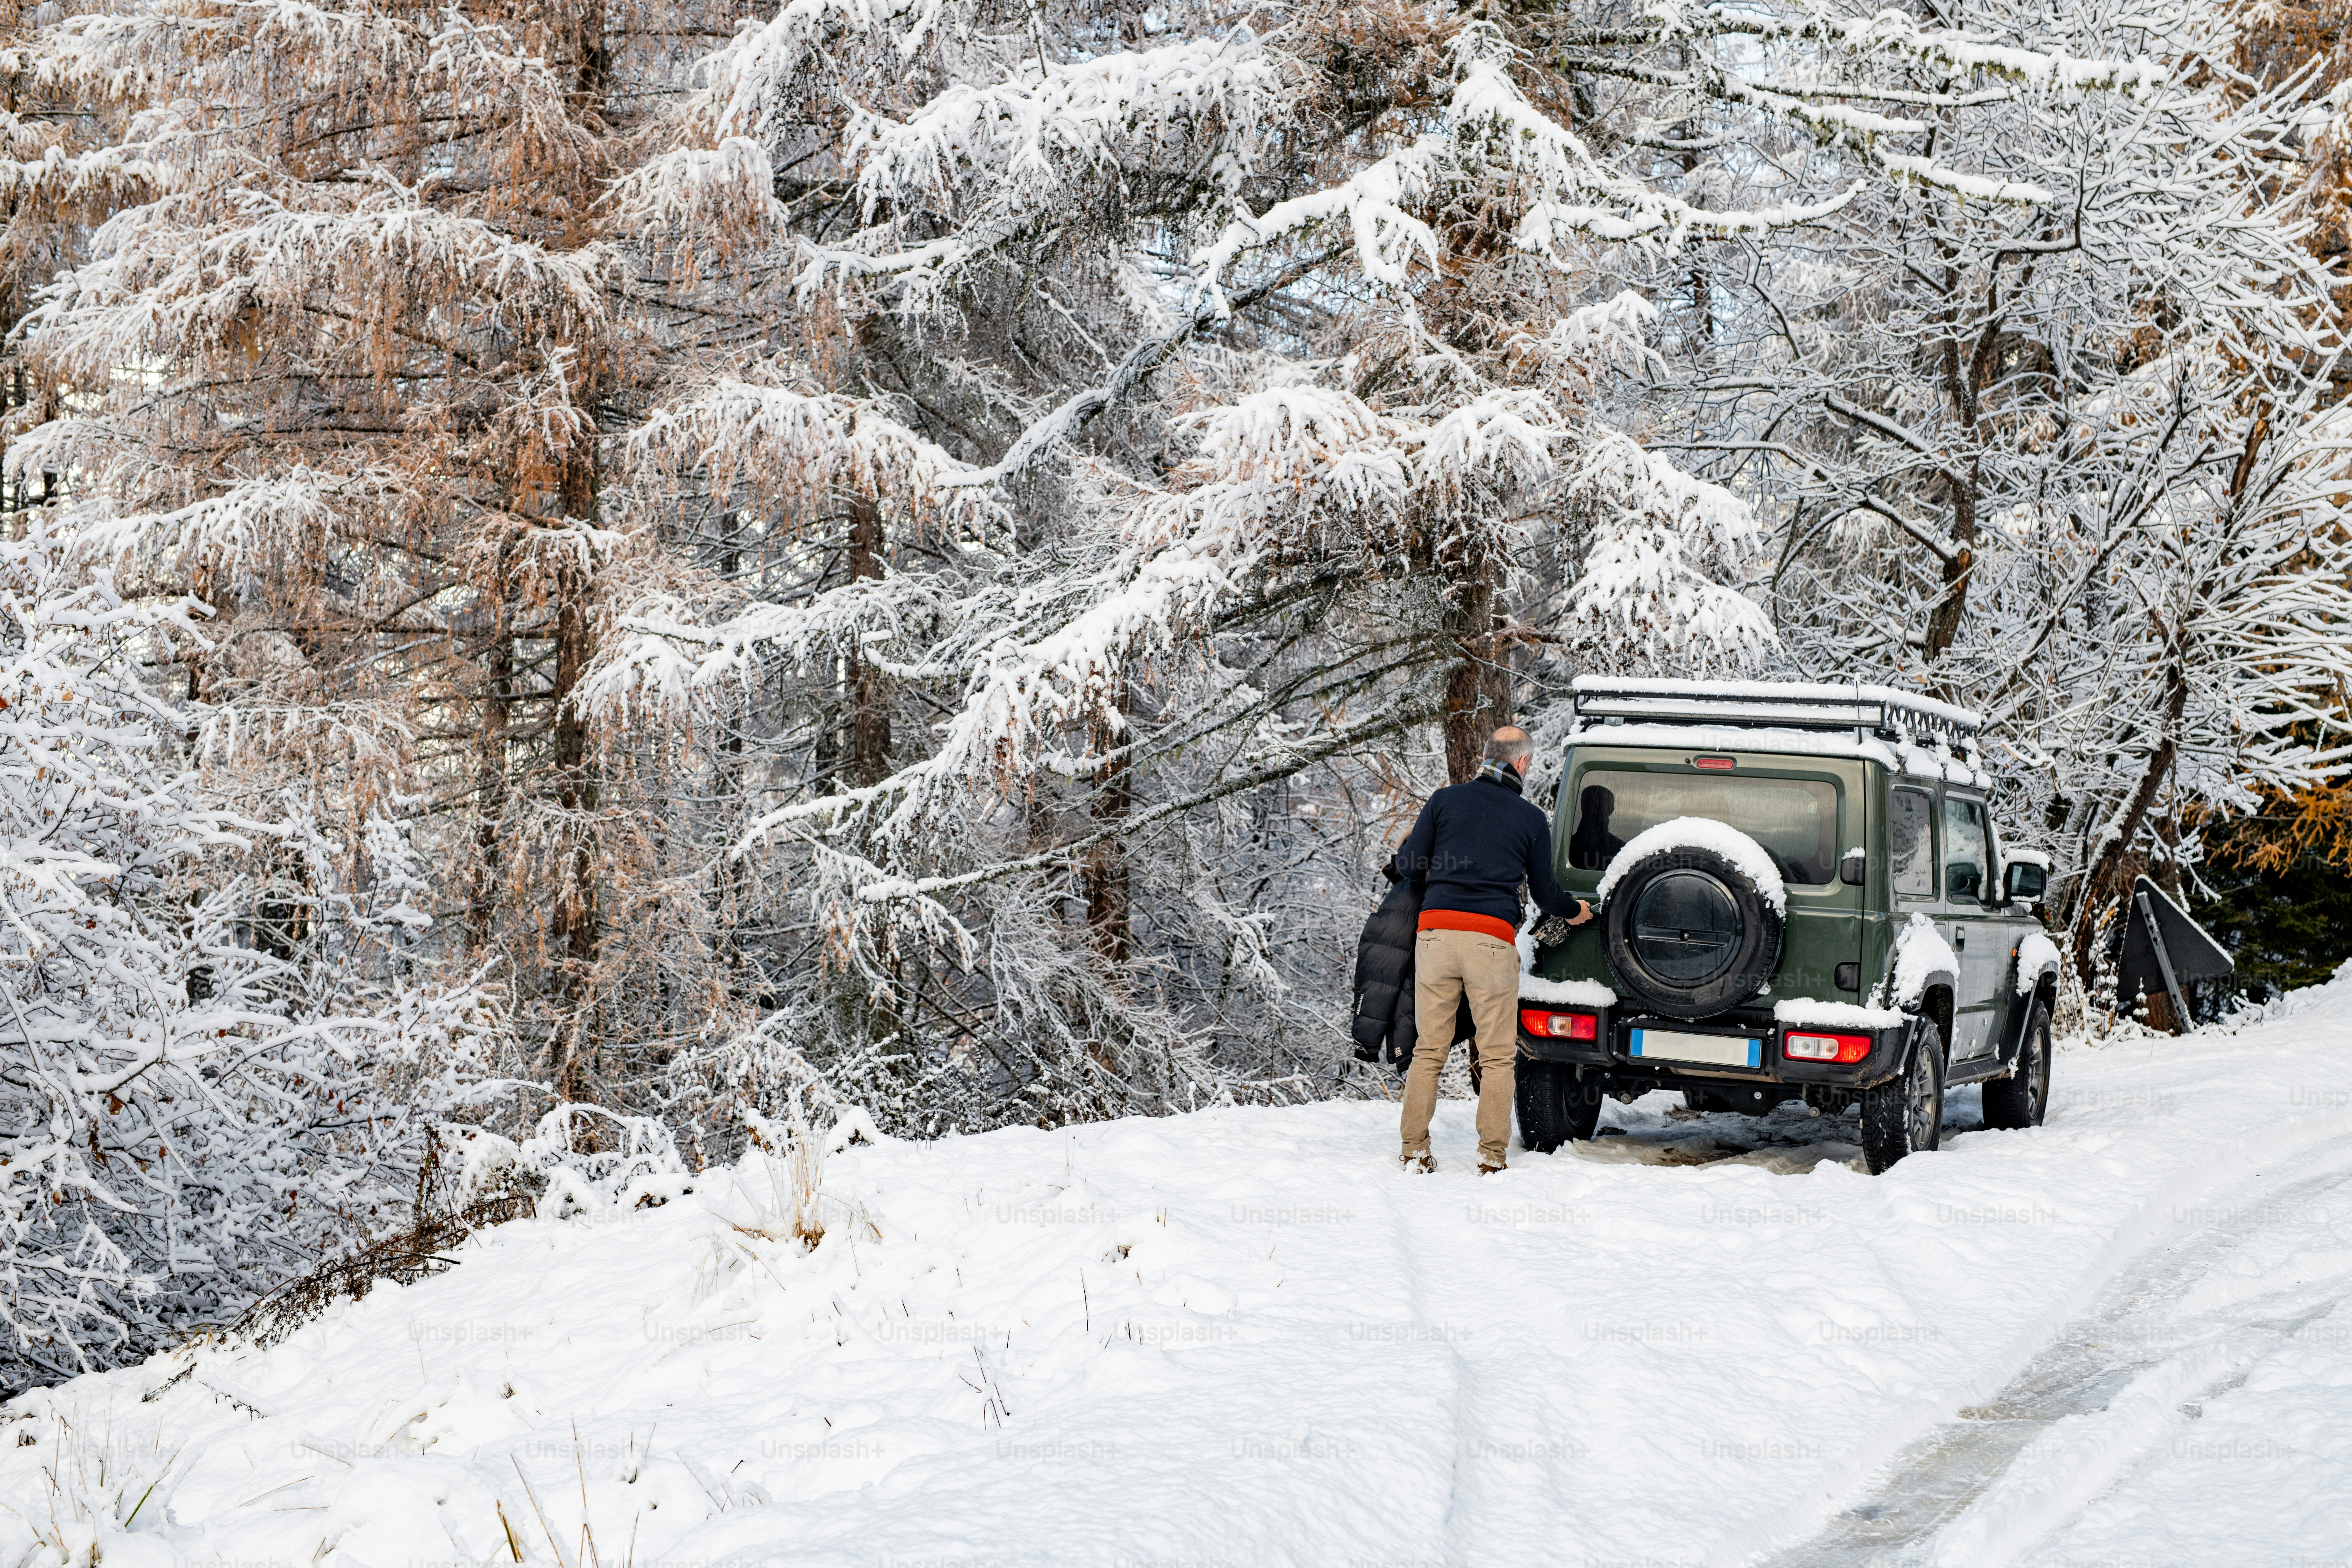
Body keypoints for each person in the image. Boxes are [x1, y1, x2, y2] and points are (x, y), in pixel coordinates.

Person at [1392, 727, 1592, 1175]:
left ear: (1486, 757)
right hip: (1490, 941)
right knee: (1499, 1054)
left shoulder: (1444, 801)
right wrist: (1576, 910)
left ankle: (1414, 1151)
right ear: (1522, 764)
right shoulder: (1529, 818)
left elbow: (1407, 866)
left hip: (1437, 936)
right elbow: (1546, 895)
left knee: (1429, 1051)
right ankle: (1490, 1157)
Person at [1567, 783, 1624, 870]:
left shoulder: (1566, 848)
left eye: (1600, 806)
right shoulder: (1622, 850)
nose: (1596, 810)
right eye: (1593, 805)